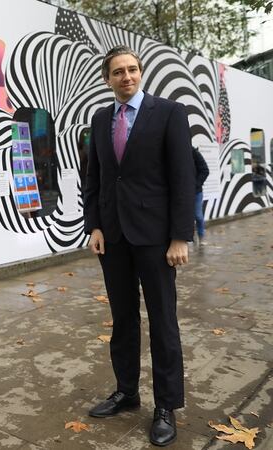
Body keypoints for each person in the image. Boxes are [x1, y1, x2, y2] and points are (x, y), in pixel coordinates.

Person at [83, 45, 195, 447]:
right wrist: (94, 226)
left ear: (141, 72)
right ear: (107, 79)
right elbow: (94, 177)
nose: (126, 76)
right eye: (118, 72)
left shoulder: (169, 113)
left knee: (163, 321)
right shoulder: (100, 119)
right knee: (123, 319)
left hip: (155, 237)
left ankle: (166, 405)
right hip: (113, 237)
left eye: (132, 69)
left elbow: (183, 176)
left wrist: (180, 235)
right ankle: (127, 392)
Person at [193, 147, 210, 244]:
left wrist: (196, 184)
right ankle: (190, 237)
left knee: (198, 216)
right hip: (182, 192)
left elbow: (205, 170)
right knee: (186, 217)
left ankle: (201, 236)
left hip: (196, 192)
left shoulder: (194, 152)